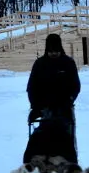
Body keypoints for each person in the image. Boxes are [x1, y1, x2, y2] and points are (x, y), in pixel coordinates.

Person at [23, 33, 81, 163]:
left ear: (60, 49)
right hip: (44, 108)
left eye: (56, 51)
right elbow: (31, 87)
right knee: (44, 136)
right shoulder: (40, 64)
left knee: (66, 137)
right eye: (51, 51)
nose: (53, 54)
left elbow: (76, 86)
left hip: (65, 107)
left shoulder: (68, 63)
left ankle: (70, 163)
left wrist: (69, 100)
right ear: (46, 50)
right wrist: (35, 107)